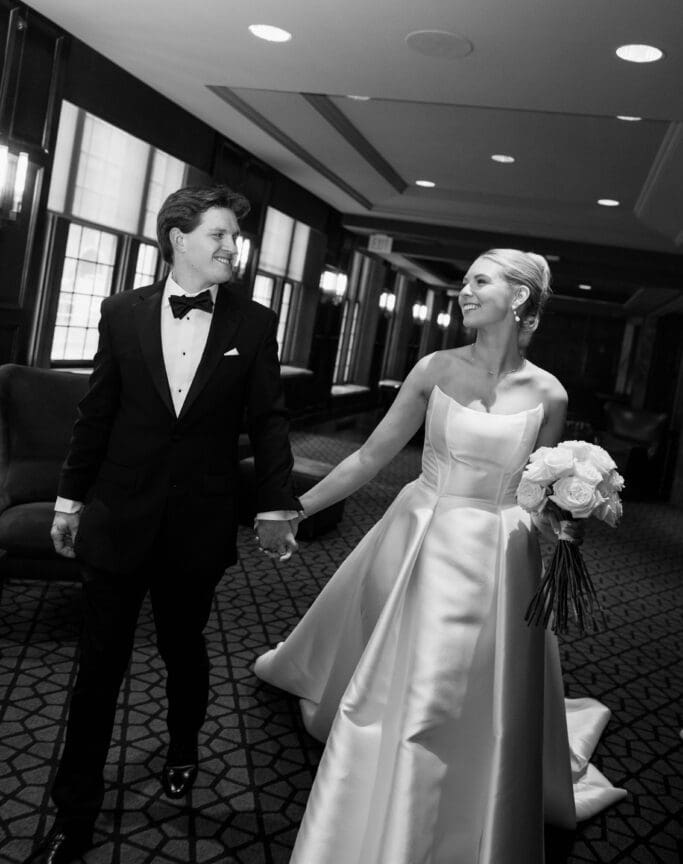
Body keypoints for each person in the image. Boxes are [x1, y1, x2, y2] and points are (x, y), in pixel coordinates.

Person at [254, 248, 626, 864]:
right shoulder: (433, 368)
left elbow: (536, 492)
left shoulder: (549, 394)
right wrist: (295, 510)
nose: (464, 291)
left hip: (502, 552)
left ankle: (476, 787)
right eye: (465, 280)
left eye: (480, 281)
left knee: (478, 681)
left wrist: (569, 519)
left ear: (519, 297)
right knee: (415, 674)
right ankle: (392, 792)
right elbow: (368, 457)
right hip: (421, 535)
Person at [27, 186, 302, 864]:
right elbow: (96, 411)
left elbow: (269, 420)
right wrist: (69, 500)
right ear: (178, 238)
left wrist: (275, 504)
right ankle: (74, 815)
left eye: (234, 237)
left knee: (183, 648)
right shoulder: (121, 312)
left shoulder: (253, 322)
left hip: (198, 522)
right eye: (219, 235)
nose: (231, 247)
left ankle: (182, 747)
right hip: (119, 515)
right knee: (99, 668)